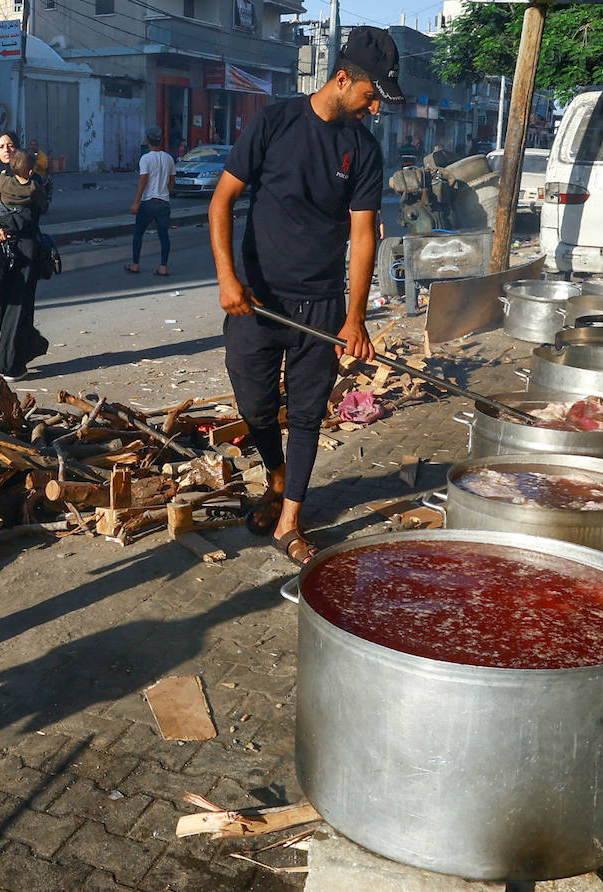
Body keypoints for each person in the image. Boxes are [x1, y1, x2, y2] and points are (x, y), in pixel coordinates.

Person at [208, 26, 401, 566]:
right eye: (369, 96)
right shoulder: (274, 122)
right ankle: (276, 476)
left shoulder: (362, 147)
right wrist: (228, 280)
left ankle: (290, 518)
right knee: (256, 406)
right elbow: (222, 201)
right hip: (258, 300)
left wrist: (356, 317)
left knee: (310, 413)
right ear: (343, 79)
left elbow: (363, 235)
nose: (373, 109)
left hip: (320, 301)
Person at [0, 147, 49, 381]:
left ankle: (8, 365)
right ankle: (30, 345)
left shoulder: (1, 182)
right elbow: (42, 205)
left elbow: (33, 215)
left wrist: (0, 223)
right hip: (4, 247)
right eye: (1, 146)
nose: (6, 150)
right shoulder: (34, 187)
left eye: (10, 145)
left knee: (17, 307)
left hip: (24, 250)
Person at [126, 125, 175, 276]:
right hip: (163, 203)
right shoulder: (169, 158)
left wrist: (135, 202)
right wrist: (164, 190)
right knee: (164, 236)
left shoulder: (145, 159)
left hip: (148, 202)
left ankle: (135, 264)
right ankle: (163, 266)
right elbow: (172, 181)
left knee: (138, 233)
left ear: (147, 140)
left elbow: (143, 181)